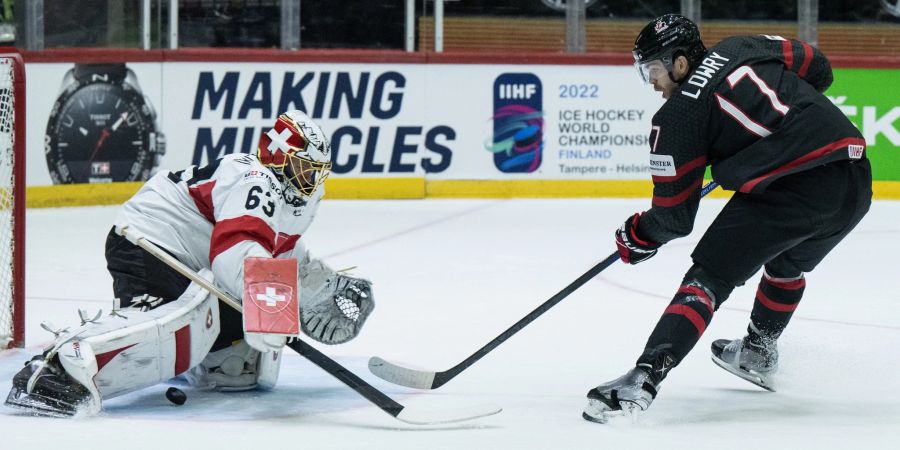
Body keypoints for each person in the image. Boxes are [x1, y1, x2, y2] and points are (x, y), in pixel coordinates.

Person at [583, 14, 872, 423]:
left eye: (653, 70)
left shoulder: (676, 120)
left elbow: (673, 218)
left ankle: (643, 379)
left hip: (793, 191)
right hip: (855, 177)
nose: (651, 82)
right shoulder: (744, 47)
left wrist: (638, 235)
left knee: (709, 278)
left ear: (680, 63)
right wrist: (776, 134)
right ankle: (757, 349)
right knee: (786, 263)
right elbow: (818, 67)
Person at [6, 110, 375, 417]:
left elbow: (284, 254)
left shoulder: (290, 200)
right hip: (151, 243)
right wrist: (267, 303)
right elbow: (236, 250)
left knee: (239, 367)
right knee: (177, 326)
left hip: (195, 262)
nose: (312, 179)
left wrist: (323, 288)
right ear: (279, 155)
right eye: (305, 168)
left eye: (316, 171)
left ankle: (199, 359)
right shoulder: (254, 178)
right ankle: (55, 368)